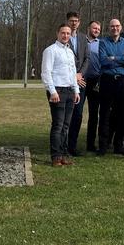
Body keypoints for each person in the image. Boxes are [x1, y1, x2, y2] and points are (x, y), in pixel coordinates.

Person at [41, 24, 81, 167]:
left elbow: (73, 72)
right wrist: (52, 91)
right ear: (57, 33)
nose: (65, 36)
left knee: (66, 125)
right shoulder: (50, 51)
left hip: (70, 91)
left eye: (68, 33)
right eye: (63, 33)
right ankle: (56, 157)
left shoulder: (70, 52)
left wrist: (76, 90)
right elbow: (46, 73)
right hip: (57, 91)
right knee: (58, 125)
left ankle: (64, 155)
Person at [97, 19, 124, 155]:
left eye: (117, 26)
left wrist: (113, 58)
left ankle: (119, 145)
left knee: (121, 114)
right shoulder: (103, 42)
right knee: (105, 113)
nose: (115, 28)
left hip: (122, 81)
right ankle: (103, 146)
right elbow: (103, 61)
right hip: (107, 81)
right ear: (109, 27)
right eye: (112, 26)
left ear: (121, 27)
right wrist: (120, 58)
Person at [65, 12, 90, 157]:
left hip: (81, 82)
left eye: (76, 21)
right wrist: (73, 76)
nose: (74, 23)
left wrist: (80, 74)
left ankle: (72, 146)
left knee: (78, 115)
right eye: (71, 21)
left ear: (79, 22)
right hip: (67, 82)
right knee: (67, 115)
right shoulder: (64, 37)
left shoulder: (83, 38)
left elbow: (87, 58)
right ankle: (63, 145)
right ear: (67, 22)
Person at [82, 21, 102, 153]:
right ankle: (70, 143)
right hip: (81, 80)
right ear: (88, 28)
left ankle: (90, 144)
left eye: (98, 29)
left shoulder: (101, 43)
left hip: (95, 81)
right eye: (94, 28)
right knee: (76, 114)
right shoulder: (80, 41)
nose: (96, 30)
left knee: (94, 114)